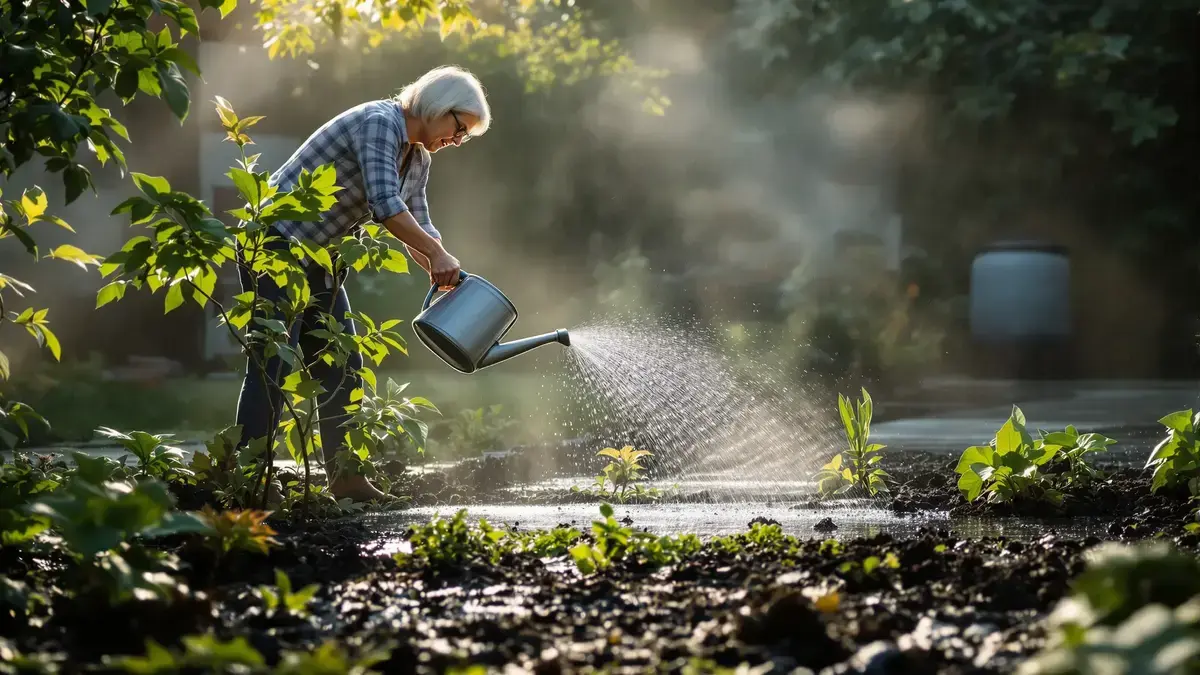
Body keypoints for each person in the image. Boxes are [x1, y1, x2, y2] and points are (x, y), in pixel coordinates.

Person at [234, 65, 490, 502]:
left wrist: (444, 266)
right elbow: (386, 205)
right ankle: (249, 482)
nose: (458, 139)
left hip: (318, 256)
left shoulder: (418, 155)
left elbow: (419, 218)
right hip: (274, 241)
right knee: (272, 362)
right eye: (459, 127)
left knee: (342, 364)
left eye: (465, 135)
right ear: (439, 107)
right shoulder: (380, 123)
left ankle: (347, 480)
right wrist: (435, 254)